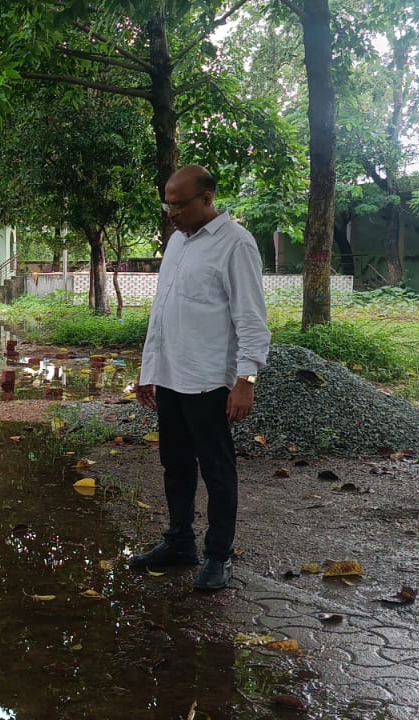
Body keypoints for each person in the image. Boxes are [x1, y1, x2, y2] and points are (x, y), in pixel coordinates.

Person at [131, 165, 270, 591]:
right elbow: (161, 313)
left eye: (179, 203)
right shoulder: (176, 242)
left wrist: (245, 379)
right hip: (171, 377)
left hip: (210, 381)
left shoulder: (236, 244)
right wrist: (148, 371)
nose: (171, 212)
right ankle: (179, 542)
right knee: (175, 464)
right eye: (167, 203)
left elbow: (251, 318)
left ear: (207, 199)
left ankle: (218, 555)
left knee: (217, 469)